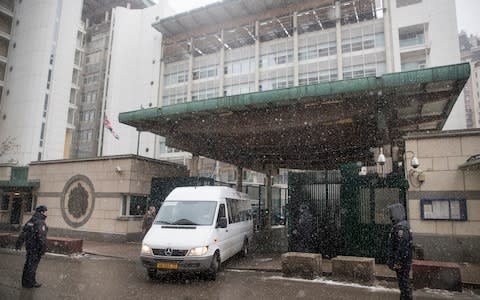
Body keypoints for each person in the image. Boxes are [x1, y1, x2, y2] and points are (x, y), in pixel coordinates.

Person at [15, 205, 49, 288]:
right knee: (33, 265)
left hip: (30, 246)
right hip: (36, 247)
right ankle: (30, 283)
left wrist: (19, 243)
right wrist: (43, 248)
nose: (47, 213)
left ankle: (25, 282)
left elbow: (24, 232)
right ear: (42, 212)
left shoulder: (31, 220)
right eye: (46, 211)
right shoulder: (40, 222)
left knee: (28, 264)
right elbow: (41, 237)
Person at [387, 203, 413, 300]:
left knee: (404, 284)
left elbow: (401, 247)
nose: (390, 216)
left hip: (402, 262)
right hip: (405, 260)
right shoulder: (403, 224)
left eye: (391, 213)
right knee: (404, 284)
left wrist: (397, 261)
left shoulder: (400, 227)